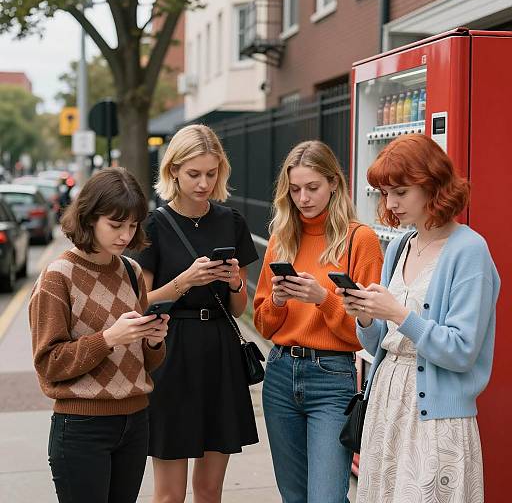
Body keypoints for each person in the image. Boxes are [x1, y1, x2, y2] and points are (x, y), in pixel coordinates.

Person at [339, 134, 500, 502]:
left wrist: (398, 313)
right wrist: (365, 317)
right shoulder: (399, 246)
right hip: (386, 403)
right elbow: (378, 341)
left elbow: (462, 351)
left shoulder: (469, 251)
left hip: (436, 415)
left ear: (432, 185)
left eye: (400, 191)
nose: (390, 203)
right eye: (383, 193)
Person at [133, 124, 259, 503]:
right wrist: (185, 281)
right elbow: (141, 304)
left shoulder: (231, 221)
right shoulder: (154, 224)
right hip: (171, 353)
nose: (203, 183)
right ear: (173, 171)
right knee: (170, 495)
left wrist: (235, 282)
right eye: (193, 174)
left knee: (209, 491)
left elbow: (238, 308)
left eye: (211, 173)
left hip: (219, 351)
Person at [253, 140, 383, 503]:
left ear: (334, 184)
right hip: (280, 374)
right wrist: (278, 301)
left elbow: (363, 335)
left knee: (325, 497)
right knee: (294, 497)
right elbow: (263, 324)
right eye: (295, 189)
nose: (303, 198)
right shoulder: (283, 238)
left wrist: (323, 299)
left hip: (332, 379)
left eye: (313, 187)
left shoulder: (361, 241)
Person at [29, 167, 169, 503]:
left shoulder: (132, 272)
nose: (125, 235)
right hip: (82, 427)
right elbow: (49, 363)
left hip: (136, 421)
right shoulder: (57, 276)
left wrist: (153, 339)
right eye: (116, 224)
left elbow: (147, 362)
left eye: (132, 225)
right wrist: (108, 338)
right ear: (90, 218)